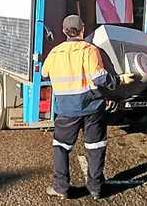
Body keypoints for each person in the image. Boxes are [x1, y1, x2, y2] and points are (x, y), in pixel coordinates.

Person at [41, 15, 134, 199]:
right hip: (92, 108)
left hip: (66, 110)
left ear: (63, 31)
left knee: (61, 147)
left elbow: (44, 74)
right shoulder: (89, 49)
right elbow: (100, 78)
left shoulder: (55, 52)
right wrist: (119, 80)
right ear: (82, 29)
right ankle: (96, 188)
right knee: (95, 147)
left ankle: (61, 188)